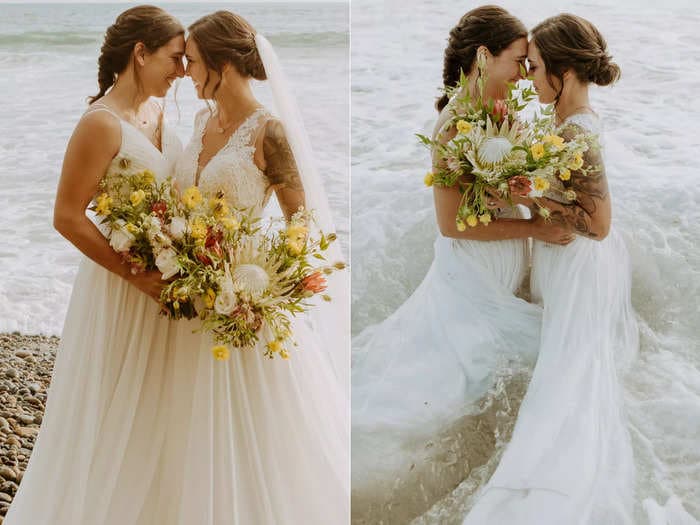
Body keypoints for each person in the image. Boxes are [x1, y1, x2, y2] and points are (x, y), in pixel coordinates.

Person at [4, 6, 187, 524]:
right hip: (120, 284)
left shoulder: (157, 113)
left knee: (157, 407)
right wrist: (136, 274)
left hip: (164, 278)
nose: (181, 71)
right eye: (175, 59)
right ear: (140, 53)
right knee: (111, 406)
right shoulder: (100, 124)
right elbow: (66, 216)